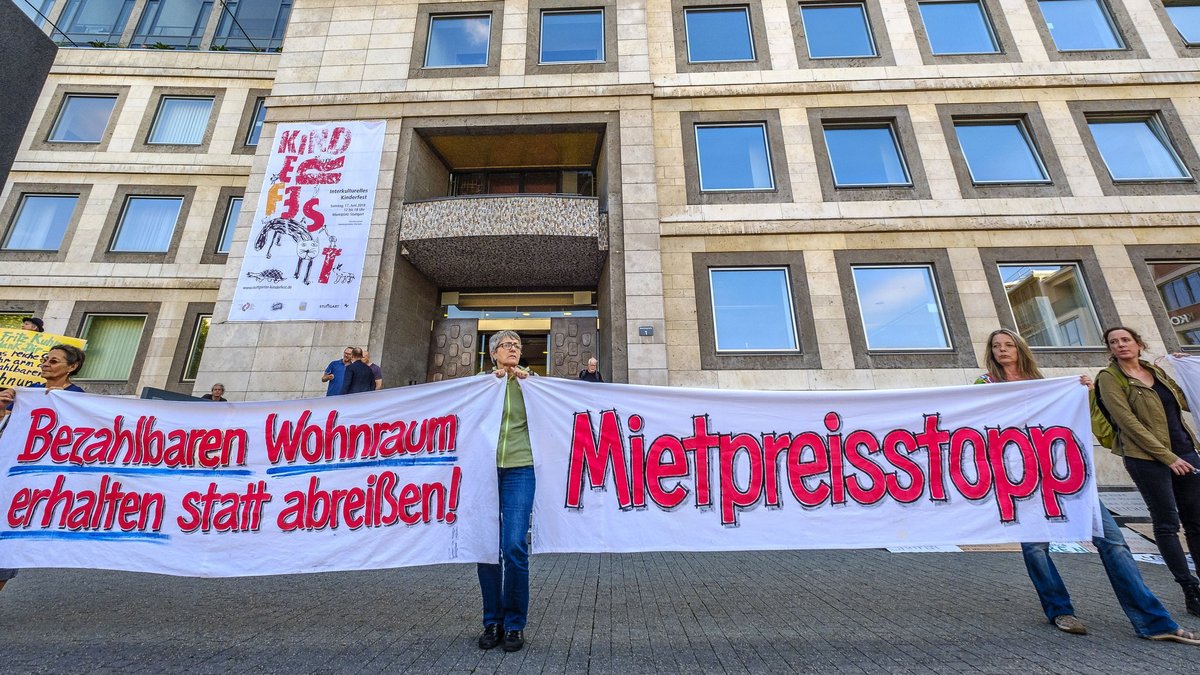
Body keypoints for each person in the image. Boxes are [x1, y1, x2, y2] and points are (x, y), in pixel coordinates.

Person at [974, 328, 1199, 643]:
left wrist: (1087, 394)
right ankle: (1059, 610)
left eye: (1008, 344)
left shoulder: (1046, 384)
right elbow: (974, 425)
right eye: (996, 345)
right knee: (1036, 548)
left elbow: (1088, 421)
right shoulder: (984, 385)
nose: (1002, 350)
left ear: (1020, 348)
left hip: (1066, 473)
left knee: (1113, 542)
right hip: (1019, 479)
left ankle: (1154, 621)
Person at [1097, 326, 1200, 618]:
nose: (1120, 345)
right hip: (1146, 459)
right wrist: (1167, 458)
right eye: (1113, 342)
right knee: (1167, 522)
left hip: (1185, 450)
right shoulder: (1110, 378)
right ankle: (1189, 588)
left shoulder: (1156, 373)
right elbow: (1128, 422)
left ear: (1139, 344)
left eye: (1125, 340)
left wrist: (1185, 366)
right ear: (1110, 349)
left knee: (1196, 523)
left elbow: (1183, 401)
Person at [0, 343, 87, 592]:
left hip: (44, 474)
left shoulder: (80, 398)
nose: (46, 364)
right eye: (45, 360)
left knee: (10, 532)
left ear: (72, 367)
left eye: (54, 361)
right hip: (11, 466)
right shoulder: (25, 393)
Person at [476, 330, 535, 653]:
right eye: (507, 345)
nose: (513, 349)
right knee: (487, 547)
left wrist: (529, 381)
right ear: (493, 353)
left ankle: (514, 624)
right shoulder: (481, 385)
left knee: (513, 544)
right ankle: (492, 621)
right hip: (483, 471)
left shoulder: (533, 384)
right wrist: (491, 383)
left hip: (520, 468)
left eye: (517, 346)